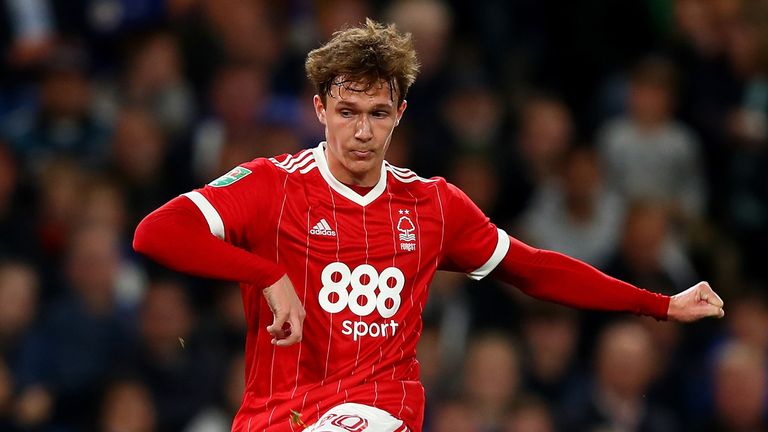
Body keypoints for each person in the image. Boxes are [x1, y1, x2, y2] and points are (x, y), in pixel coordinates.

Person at [133, 19, 725, 432]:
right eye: (347, 112)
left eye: (377, 113)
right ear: (319, 110)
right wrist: (265, 273)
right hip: (276, 416)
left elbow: (535, 270)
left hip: (382, 410)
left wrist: (658, 304)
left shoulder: (434, 205)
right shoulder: (270, 185)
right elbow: (155, 234)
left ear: (400, 114)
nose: (362, 132)